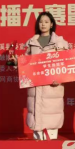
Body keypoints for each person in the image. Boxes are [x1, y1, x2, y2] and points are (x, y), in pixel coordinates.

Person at [11, 12, 69, 140]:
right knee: (37, 130)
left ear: (52, 24)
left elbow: (66, 64)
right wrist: (16, 63)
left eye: (46, 22)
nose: (43, 24)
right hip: (35, 89)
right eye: (41, 22)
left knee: (51, 128)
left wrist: (59, 78)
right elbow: (26, 65)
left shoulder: (59, 43)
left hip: (52, 88)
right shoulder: (32, 43)